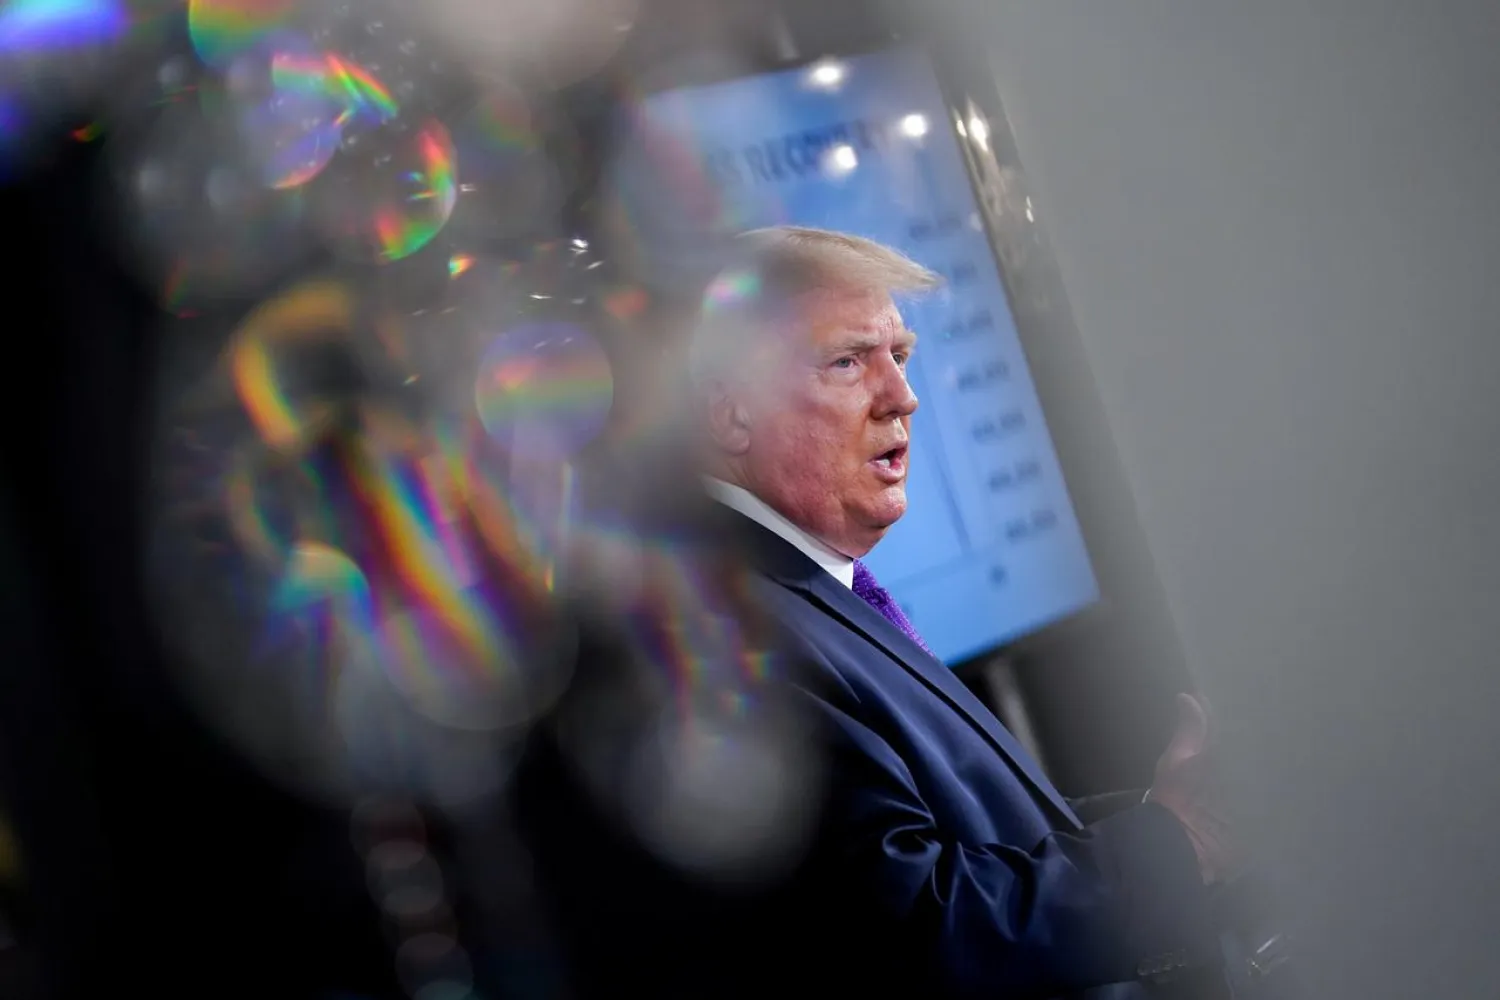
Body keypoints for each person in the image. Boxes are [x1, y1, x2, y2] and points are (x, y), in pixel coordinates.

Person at [684, 225, 1239, 998]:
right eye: (847, 361)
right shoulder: (733, 627)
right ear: (730, 416)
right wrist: (1180, 843)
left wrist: (1165, 813)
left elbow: (977, 841)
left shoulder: (806, 594)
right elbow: (914, 930)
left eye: (900, 356)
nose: (902, 398)